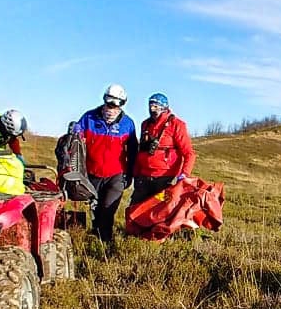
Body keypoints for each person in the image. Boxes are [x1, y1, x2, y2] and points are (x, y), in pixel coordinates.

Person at [72, 84, 138, 243]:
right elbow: (75, 142)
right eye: (109, 104)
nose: (111, 109)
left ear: (122, 105)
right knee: (95, 209)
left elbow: (133, 152)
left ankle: (106, 242)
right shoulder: (89, 118)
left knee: (108, 210)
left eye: (116, 106)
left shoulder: (128, 124)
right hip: (92, 173)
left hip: (116, 175)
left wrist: (130, 175)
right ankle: (94, 237)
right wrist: (74, 131)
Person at [130, 92, 196, 206]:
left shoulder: (177, 125)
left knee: (160, 210)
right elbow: (141, 150)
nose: (151, 108)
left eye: (155, 105)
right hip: (143, 177)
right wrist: (135, 173)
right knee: (135, 209)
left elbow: (189, 153)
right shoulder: (145, 124)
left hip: (165, 179)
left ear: (164, 107)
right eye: (150, 105)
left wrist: (184, 175)